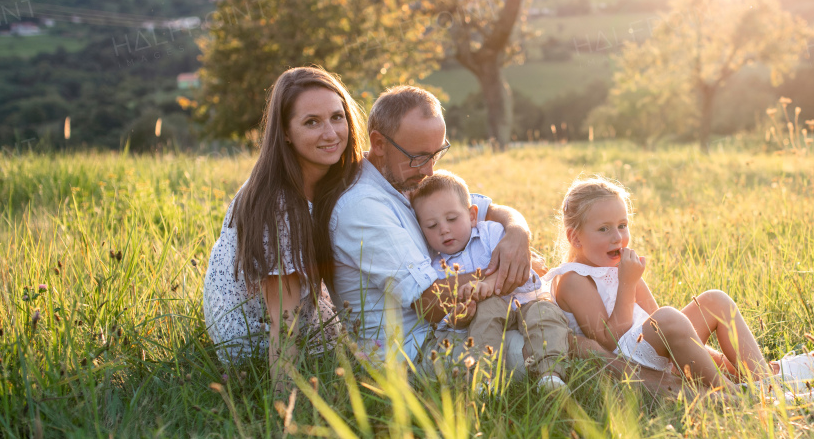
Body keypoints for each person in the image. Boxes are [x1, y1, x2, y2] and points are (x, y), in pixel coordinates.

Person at [545, 176, 814, 392]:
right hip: (631, 362)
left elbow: (670, 325)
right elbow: (610, 340)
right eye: (604, 229)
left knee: (714, 300)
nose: (617, 237)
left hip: (655, 348)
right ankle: (733, 393)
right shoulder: (573, 280)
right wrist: (627, 284)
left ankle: (763, 378)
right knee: (669, 317)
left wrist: (630, 280)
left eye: (622, 225)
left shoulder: (620, 265)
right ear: (575, 238)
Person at [327, 85, 539, 370]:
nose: (429, 171)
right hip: (417, 351)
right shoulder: (362, 207)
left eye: (436, 154)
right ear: (378, 144)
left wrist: (517, 231)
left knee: (549, 317)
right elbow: (430, 302)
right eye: (418, 157)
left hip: (452, 328)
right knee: (550, 345)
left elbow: (485, 210)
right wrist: (511, 269)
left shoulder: (404, 178)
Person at [202, 66, 361, 386]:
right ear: (285, 132)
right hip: (257, 356)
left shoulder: (332, 170)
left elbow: (432, 192)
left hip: (309, 330)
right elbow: (284, 325)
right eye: (311, 122)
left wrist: (493, 218)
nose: (331, 133)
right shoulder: (278, 206)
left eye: (337, 116)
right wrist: (287, 418)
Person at [410, 169, 570, 388]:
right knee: (484, 318)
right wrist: (460, 317)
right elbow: (449, 319)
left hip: (525, 301)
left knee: (547, 314)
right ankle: (484, 381)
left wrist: (487, 283)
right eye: (432, 226)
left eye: (452, 219)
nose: (444, 230)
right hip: (488, 314)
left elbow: (521, 270)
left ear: (472, 215)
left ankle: (550, 374)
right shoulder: (437, 267)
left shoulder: (492, 233)